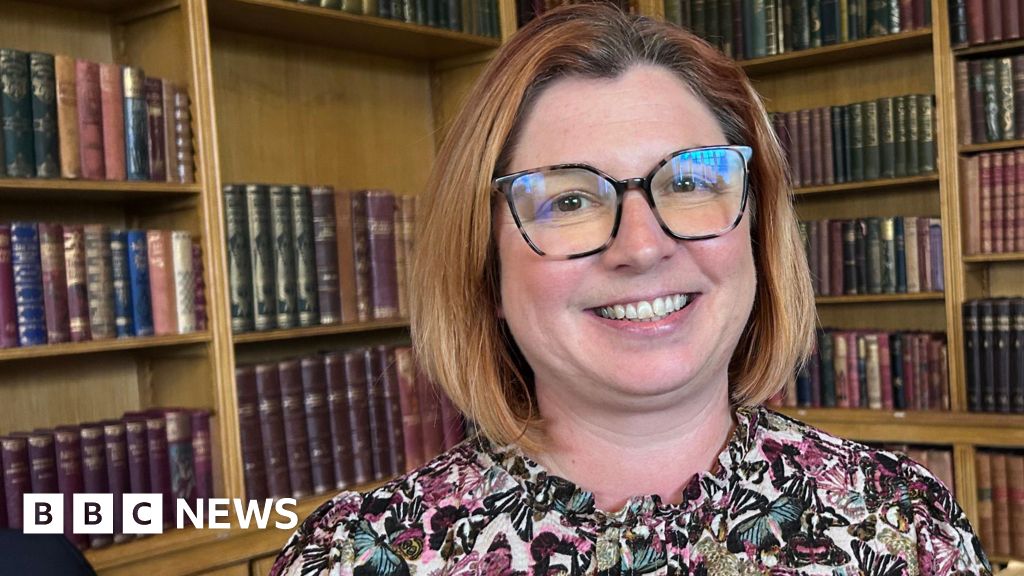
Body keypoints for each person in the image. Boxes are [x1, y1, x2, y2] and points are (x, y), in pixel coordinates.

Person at [271, 5, 991, 574]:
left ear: (759, 232)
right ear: (484, 267)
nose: (643, 247)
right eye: (569, 200)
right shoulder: (352, 559)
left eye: (691, 183)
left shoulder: (908, 529)